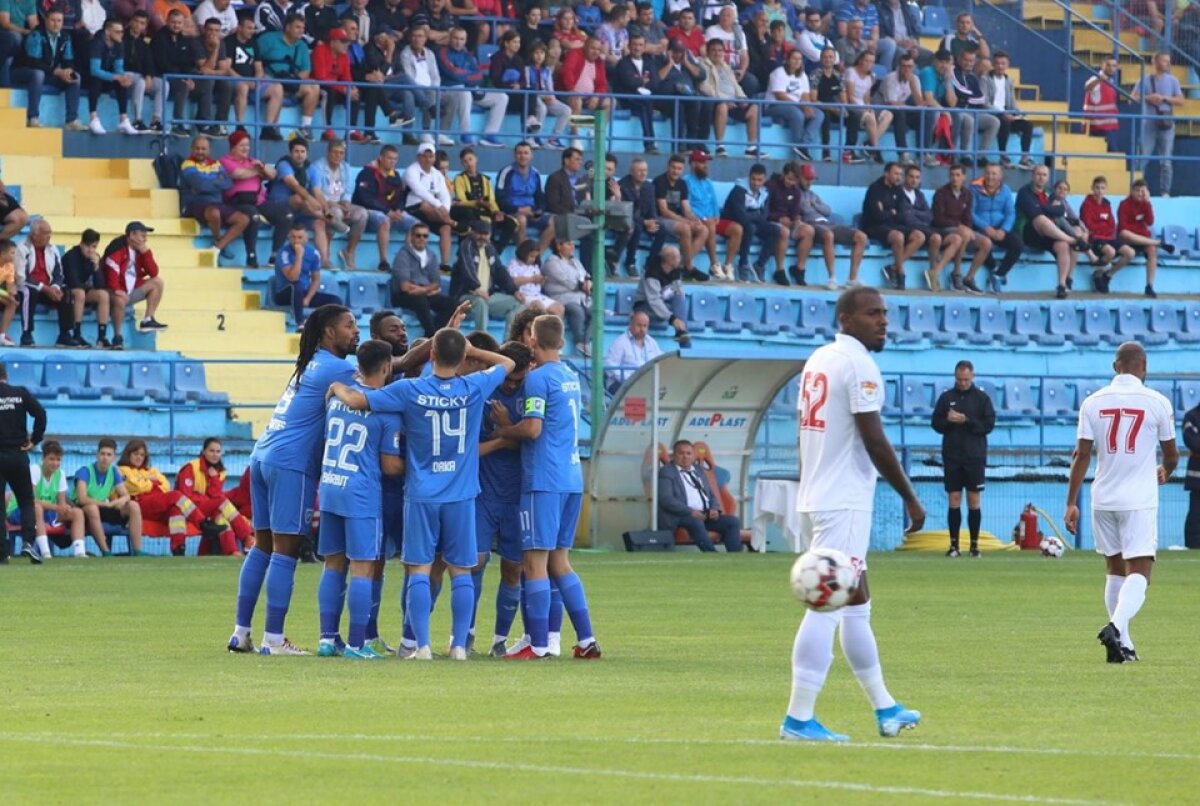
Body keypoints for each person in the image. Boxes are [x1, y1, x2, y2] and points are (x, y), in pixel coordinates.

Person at [783, 286, 924, 742]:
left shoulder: (819, 359)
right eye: (872, 313)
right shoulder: (858, 364)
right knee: (827, 604)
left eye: (884, 313)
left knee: (858, 603)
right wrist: (909, 495)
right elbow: (874, 439)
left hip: (821, 494)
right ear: (846, 319)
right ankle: (798, 717)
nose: (882, 320)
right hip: (842, 499)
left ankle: (886, 708)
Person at [330, 328, 515, 660]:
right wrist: (476, 351)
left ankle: (422, 646)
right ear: (462, 359)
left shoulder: (408, 389)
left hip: (421, 494)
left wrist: (336, 387)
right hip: (461, 495)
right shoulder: (474, 386)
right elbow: (508, 362)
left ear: (431, 356)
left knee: (418, 568)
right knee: (461, 570)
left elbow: (358, 400)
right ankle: (459, 645)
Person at [229, 304, 359, 655]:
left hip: (263, 456)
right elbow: (386, 372)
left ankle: (241, 633)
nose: (356, 331)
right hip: (292, 463)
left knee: (263, 547)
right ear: (329, 332)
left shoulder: (310, 362)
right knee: (285, 552)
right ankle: (274, 639)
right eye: (349, 326)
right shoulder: (339, 368)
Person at [491, 314, 599, 660]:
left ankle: (538, 645)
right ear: (562, 342)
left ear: (533, 343)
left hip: (545, 479)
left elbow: (533, 429)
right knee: (560, 562)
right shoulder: (570, 376)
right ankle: (586, 640)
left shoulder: (538, 379)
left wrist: (505, 427)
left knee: (534, 563)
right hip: (571, 477)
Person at [1065, 342, 1178, 664]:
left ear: (1116, 367)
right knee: (1140, 569)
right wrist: (1165, 471)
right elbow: (1171, 455)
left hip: (1102, 498)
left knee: (1114, 569)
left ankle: (1124, 646)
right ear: (1143, 366)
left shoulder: (1092, 402)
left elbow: (1081, 455)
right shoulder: (1157, 402)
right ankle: (1115, 626)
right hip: (1138, 500)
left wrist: (1071, 502)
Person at [313, 339, 404, 659]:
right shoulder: (384, 408)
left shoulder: (336, 399)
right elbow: (390, 465)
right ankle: (356, 644)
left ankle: (327, 639)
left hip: (331, 487)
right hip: (361, 494)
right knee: (363, 567)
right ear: (386, 367)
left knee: (334, 564)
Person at [476, 340, 534, 655]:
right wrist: (506, 437)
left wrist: (505, 428)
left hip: (518, 496)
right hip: (483, 492)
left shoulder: (533, 395)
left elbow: (531, 442)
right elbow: (474, 447)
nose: (511, 385)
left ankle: (500, 639)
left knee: (514, 568)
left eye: (518, 380)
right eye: (507, 379)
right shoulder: (484, 391)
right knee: (475, 562)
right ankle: (466, 634)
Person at [930, 361, 995, 558]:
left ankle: (974, 546)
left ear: (972, 376)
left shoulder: (982, 399)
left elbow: (988, 425)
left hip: (975, 456)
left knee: (974, 500)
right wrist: (948, 422)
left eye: (966, 379)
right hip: (952, 456)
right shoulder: (946, 398)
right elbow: (936, 423)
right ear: (955, 377)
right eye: (959, 379)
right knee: (954, 499)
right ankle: (954, 545)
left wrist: (966, 420)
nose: (963, 383)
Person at [117, 439, 209, 557]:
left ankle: (178, 548)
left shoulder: (151, 470)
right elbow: (134, 485)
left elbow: (165, 485)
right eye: (135, 454)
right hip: (139, 505)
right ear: (128, 454)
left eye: (142, 455)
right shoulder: (122, 470)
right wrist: (153, 483)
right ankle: (202, 522)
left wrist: (146, 483)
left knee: (176, 510)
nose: (139, 458)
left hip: (157, 504)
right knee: (175, 495)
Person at [5, 440, 86, 561]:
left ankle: (80, 552)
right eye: (52, 459)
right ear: (43, 458)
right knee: (36, 508)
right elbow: (30, 501)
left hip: (46, 512)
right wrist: (57, 508)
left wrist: (65, 509)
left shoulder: (61, 474)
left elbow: (61, 503)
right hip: (19, 512)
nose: (55, 463)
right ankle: (45, 553)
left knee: (77, 513)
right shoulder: (35, 470)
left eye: (58, 460)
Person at [657, 439, 742, 552]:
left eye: (688, 453)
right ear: (674, 455)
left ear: (693, 455)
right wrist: (690, 511)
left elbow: (710, 494)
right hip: (681, 516)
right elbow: (666, 499)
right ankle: (712, 555)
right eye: (681, 453)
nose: (685, 456)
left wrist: (714, 508)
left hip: (704, 515)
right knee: (695, 521)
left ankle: (735, 557)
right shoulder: (667, 472)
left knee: (732, 521)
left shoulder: (699, 470)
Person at [0, 362, 47, 565]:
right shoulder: (20, 393)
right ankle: (28, 542)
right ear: (6, 375)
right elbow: (41, 413)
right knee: (26, 501)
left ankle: (3, 552)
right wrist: (35, 440)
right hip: (18, 455)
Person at [175, 437, 254, 555]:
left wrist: (214, 478)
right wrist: (206, 499)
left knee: (222, 518)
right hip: (188, 509)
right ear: (204, 451)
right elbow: (185, 496)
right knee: (223, 503)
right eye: (211, 451)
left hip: (207, 508)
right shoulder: (191, 467)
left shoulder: (220, 472)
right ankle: (247, 537)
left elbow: (215, 495)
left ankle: (233, 551)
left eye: (218, 451)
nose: (215, 455)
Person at [179, 134, 250, 264]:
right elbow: (201, 185)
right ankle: (218, 237)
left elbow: (228, 183)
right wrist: (216, 181)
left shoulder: (216, 164)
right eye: (197, 148)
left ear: (209, 150)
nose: (200, 151)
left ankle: (217, 248)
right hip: (194, 204)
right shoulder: (187, 164)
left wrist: (208, 183)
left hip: (216, 203)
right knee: (214, 213)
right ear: (192, 149)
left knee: (243, 219)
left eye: (203, 149)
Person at [797, 163, 867, 290]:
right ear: (799, 177)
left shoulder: (813, 195)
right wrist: (810, 206)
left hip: (827, 223)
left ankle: (852, 279)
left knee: (861, 237)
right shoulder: (795, 193)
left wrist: (814, 205)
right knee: (828, 235)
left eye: (811, 179)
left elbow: (827, 210)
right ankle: (832, 277)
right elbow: (803, 211)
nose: (809, 182)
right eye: (806, 179)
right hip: (812, 225)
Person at [14, 7, 84, 131]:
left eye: (59, 21)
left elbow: (69, 60)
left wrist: (68, 71)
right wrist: (56, 71)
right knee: (38, 74)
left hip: (47, 73)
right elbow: (33, 62)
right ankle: (33, 118)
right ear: (46, 20)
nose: (56, 24)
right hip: (23, 72)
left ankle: (71, 120)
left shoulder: (65, 37)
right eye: (53, 20)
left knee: (75, 77)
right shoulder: (36, 34)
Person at [1016, 164, 1079, 300]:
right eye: (1038, 174)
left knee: (1062, 245)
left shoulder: (1050, 192)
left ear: (1048, 178)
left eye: (1044, 175)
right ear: (1033, 175)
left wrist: (1042, 207)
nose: (1041, 177)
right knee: (1040, 219)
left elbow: (1061, 210)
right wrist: (1048, 208)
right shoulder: (1024, 192)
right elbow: (1033, 212)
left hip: (1050, 234)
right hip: (1029, 232)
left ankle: (1062, 285)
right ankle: (1073, 240)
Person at [73, 437, 144, 557]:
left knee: (133, 506)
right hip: (82, 510)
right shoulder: (85, 471)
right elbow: (82, 499)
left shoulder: (114, 471)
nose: (105, 458)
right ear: (97, 455)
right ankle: (106, 552)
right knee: (92, 508)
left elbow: (126, 495)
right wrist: (107, 504)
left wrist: (121, 500)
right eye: (102, 454)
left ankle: (137, 551)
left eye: (109, 455)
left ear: (113, 457)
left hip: (103, 508)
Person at [100, 222, 167, 346]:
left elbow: (153, 272)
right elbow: (111, 269)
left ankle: (148, 320)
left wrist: (146, 252)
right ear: (132, 235)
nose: (145, 239)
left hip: (130, 289)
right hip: (111, 291)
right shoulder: (117, 247)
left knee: (157, 282)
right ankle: (117, 337)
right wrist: (116, 289)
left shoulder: (140, 250)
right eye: (142, 235)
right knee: (120, 300)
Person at [861, 162, 925, 290]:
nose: (899, 177)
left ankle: (893, 267)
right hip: (874, 226)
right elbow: (877, 216)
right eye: (896, 174)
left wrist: (888, 212)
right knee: (898, 237)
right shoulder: (875, 189)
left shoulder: (898, 190)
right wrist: (892, 212)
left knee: (919, 236)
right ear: (886, 174)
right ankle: (900, 273)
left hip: (893, 225)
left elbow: (903, 213)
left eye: (900, 174)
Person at [257, 13, 321, 140]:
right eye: (297, 27)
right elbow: (255, 58)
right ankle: (270, 129)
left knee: (314, 86)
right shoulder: (268, 39)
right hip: (269, 81)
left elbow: (306, 71)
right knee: (277, 87)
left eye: (303, 28)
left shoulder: (302, 45)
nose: (301, 31)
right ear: (287, 27)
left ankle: (305, 127)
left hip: (291, 82)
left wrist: (292, 81)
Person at [450, 219, 522, 331]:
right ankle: (482, 340)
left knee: (517, 303)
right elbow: (466, 268)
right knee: (480, 303)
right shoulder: (466, 246)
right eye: (479, 233)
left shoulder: (490, 248)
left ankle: (508, 341)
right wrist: (476, 288)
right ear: (472, 232)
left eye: (485, 234)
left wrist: (514, 290)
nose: (482, 237)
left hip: (487, 295)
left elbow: (499, 270)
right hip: (466, 295)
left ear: (490, 235)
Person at [900, 164, 962, 292]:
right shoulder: (899, 193)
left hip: (926, 228)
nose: (914, 180)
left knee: (956, 239)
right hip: (910, 230)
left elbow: (929, 216)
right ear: (905, 177)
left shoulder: (919, 195)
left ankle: (934, 272)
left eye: (917, 178)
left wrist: (913, 212)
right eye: (911, 177)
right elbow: (906, 218)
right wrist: (918, 215)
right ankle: (932, 271)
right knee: (936, 238)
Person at [932, 163, 992, 294]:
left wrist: (967, 228)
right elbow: (938, 219)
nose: (955, 178)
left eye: (958, 175)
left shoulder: (967, 194)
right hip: (944, 230)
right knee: (963, 233)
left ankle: (969, 278)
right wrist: (961, 227)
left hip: (962, 230)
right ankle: (956, 274)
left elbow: (968, 218)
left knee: (986, 243)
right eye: (952, 175)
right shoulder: (941, 193)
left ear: (964, 177)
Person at [14, 218, 75, 348]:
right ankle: (26, 334)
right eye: (46, 233)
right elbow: (21, 277)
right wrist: (44, 288)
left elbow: (59, 273)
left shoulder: (52, 249)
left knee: (67, 292)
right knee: (28, 292)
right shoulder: (22, 247)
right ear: (34, 235)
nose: (49, 236)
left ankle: (64, 335)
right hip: (27, 287)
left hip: (48, 288)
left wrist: (54, 287)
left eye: (50, 232)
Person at [308, 138, 367, 270]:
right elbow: (318, 194)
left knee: (362, 213)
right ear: (328, 152)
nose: (338, 156)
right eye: (335, 152)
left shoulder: (345, 167)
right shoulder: (317, 167)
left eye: (341, 153)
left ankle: (349, 252)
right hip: (323, 204)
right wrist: (337, 206)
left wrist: (346, 203)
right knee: (335, 213)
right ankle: (326, 256)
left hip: (341, 203)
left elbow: (347, 190)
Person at [150, 10, 211, 138]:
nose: (176, 25)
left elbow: (187, 63)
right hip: (163, 75)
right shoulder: (159, 38)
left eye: (179, 23)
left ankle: (203, 124)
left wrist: (189, 77)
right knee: (182, 86)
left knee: (206, 82)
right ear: (167, 22)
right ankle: (177, 123)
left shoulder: (184, 39)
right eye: (173, 22)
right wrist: (183, 78)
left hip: (180, 76)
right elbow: (162, 63)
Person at [1131, 51, 1183, 197]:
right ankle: (1136, 190)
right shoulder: (1144, 79)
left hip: (1166, 125)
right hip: (1148, 123)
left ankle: (1165, 191)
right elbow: (1133, 97)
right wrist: (1149, 98)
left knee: (1166, 160)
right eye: (1164, 60)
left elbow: (1180, 100)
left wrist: (1164, 98)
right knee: (1142, 158)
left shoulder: (1173, 80)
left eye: (1168, 61)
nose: (1167, 63)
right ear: (1155, 61)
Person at [390, 223, 456, 335]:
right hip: (402, 295)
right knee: (421, 301)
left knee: (451, 304)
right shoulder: (403, 255)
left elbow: (437, 282)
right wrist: (428, 290)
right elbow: (405, 287)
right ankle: (431, 335)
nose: (421, 238)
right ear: (411, 237)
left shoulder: (431, 255)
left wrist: (423, 290)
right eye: (418, 235)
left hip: (423, 293)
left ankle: (435, 335)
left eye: (425, 236)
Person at [718, 162, 779, 284]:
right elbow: (740, 216)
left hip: (753, 220)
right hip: (734, 221)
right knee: (749, 227)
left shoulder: (765, 192)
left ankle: (760, 265)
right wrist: (756, 216)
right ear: (749, 177)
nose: (756, 183)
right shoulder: (738, 190)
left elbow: (764, 216)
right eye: (753, 179)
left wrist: (755, 216)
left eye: (759, 180)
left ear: (764, 179)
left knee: (775, 230)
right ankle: (743, 263)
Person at [273, 223, 342, 330]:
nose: (296, 241)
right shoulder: (283, 253)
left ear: (306, 238)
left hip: (304, 294)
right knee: (297, 285)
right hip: (284, 294)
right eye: (293, 237)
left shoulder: (313, 253)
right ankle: (300, 323)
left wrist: (307, 299)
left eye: (300, 237)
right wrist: (299, 256)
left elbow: (316, 279)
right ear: (289, 238)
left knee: (335, 301)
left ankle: (327, 327)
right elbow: (293, 277)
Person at [685, 150, 740, 281]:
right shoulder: (686, 181)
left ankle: (728, 265)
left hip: (711, 218)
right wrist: (701, 217)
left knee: (737, 229)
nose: (706, 165)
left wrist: (716, 215)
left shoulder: (708, 182)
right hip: (697, 219)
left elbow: (714, 201)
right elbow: (687, 205)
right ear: (693, 164)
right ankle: (714, 264)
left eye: (706, 162)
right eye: (702, 162)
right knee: (709, 224)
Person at [350, 143, 405, 272]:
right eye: (389, 158)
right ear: (381, 157)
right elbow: (365, 199)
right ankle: (383, 261)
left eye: (395, 159)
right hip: (367, 212)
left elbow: (401, 197)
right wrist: (388, 212)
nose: (392, 162)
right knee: (383, 220)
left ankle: (406, 262)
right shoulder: (367, 173)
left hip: (390, 212)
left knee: (414, 224)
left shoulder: (395, 176)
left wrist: (398, 209)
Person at [1115, 179, 1173, 299]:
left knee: (1152, 250)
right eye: (1137, 191)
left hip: (1142, 238)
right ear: (1131, 191)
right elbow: (1123, 228)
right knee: (1125, 233)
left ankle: (1149, 286)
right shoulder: (1124, 204)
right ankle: (1159, 243)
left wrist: (1148, 203)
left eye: (1143, 191)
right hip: (1127, 239)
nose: (1140, 194)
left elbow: (1150, 221)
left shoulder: (1146, 204)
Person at [654, 154, 709, 278]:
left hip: (676, 218)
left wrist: (695, 220)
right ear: (668, 167)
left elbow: (687, 209)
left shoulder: (682, 184)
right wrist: (685, 221)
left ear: (683, 170)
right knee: (685, 228)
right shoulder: (660, 181)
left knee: (703, 230)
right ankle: (689, 267)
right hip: (659, 218)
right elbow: (664, 211)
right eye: (673, 167)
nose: (676, 171)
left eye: (679, 169)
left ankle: (682, 265)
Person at [970, 162, 1022, 294]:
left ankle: (998, 274)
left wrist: (1004, 229)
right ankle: (993, 267)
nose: (990, 177)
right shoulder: (974, 188)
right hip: (981, 227)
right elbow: (970, 213)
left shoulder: (1006, 190)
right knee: (983, 243)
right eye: (988, 173)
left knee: (1017, 244)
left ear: (1000, 176)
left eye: (994, 174)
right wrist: (985, 227)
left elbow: (1010, 213)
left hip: (1000, 228)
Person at [451, 148, 516, 251]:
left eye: (470, 159)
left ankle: (497, 250)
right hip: (472, 213)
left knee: (512, 223)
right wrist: (477, 203)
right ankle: (485, 250)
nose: (469, 163)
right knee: (485, 221)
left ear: (476, 159)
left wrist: (497, 211)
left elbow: (492, 200)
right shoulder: (459, 179)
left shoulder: (485, 179)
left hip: (487, 211)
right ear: (462, 164)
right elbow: (461, 201)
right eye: (465, 161)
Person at [1079, 175, 1135, 294]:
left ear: (1106, 190)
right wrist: (1102, 227)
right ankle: (1098, 274)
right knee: (1110, 251)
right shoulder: (1086, 205)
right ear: (1092, 188)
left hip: (1109, 237)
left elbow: (1112, 224)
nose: (1100, 191)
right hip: (1095, 239)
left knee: (1130, 253)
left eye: (1102, 188)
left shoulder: (1107, 204)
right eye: (1097, 188)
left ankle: (1108, 275)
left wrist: (1103, 227)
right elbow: (1089, 226)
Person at [403, 142, 455, 269]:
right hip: (412, 207)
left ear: (434, 158)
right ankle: (450, 222)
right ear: (418, 157)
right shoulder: (411, 170)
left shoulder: (437, 174)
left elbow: (445, 195)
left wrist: (445, 210)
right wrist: (440, 207)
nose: (427, 159)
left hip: (432, 211)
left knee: (445, 229)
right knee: (426, 205)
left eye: (430, 156)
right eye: (424, 156)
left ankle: (445, 264)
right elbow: (419, 191)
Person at [981, 51, 1035, 171]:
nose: (1000, 66)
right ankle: (1003, 156)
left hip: (1007, 114)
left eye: (1003, 63)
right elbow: (984, 103)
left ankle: (1025, 158)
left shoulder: (1008, 80)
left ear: (1007, 65)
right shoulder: (985, 79)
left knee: (1028, 125)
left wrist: (1018, 113)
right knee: (1003, 121)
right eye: (997, 63)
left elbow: (1012, 103)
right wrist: (1002, 113)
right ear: (993, 65)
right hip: (992, 114)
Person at [87, 18, 140, 136]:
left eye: (122, 32)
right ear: (107, 32)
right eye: (117, 32)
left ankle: (123, 120)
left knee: (121, 81)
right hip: (88, 77)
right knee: (96, 80)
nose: (121, 34)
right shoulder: (97, 43)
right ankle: (93, 118)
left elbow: (118, 68)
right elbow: (94, 70)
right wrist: (115, 77)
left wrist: (123, 77)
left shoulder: (119, 44)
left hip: (105, 76)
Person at [766, 161, 815, 287]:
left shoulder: (795, 191)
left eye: (794, 180)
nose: (790, 182)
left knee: (809, 230)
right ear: (783, 174)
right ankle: (779, 270)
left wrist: (796, 219)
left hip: (790, 222)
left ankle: (799, 269)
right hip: (773, 222)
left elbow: (795, 210)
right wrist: (779, 218)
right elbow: (765, 210)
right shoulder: (771, 186)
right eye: (789, 179)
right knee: (784, 232)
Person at [767, 49, 821, 161]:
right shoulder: (779, 72)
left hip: (796, 106)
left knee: (819, 114)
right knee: (797, 114)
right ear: (787, 60)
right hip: (774, 105)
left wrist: (807, 106)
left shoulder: (802, 75)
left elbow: (805, 95)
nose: (797, 62)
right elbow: (779, 95)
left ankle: (804, 145)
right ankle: (798, 145)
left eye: (800, 59)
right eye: (794, 58)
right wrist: (801, 106)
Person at [948, 48, 998, 167]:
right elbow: (960, 90)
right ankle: (966, 156)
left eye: (971, 61)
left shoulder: (972, 77)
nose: (969, 63)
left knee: (994, 121)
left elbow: (981, 98)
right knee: (969, 120)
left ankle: (981, 157)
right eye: (966, 60)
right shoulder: (954, 71)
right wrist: (968, 96)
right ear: (959, 60)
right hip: (956, 111)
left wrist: (966, 97)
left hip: (971, 111)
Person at [542, 238, 592, 356]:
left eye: (573, 244)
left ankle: (586, 341)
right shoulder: (551, 263)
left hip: (580, 296)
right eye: (569, 244)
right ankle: (579, 340)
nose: (573, 247)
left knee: (598, 313)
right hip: (561, 297)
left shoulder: (576, 262)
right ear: (559, 246)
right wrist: (582, 285)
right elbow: (567, 281)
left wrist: (589, 282)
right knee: (577, 311)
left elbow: (586, 276)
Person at [634, 245, 691, 347]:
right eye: (678, 257)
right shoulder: (652, 273)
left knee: (679, 298)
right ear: (670, 260)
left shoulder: (675, 270)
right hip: (645, 307)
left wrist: (675, 315)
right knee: (672, 306)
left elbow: (678, 291)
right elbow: (653, 300)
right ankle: (684, 339)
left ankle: (682, 333)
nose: (680, 259)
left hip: (664, 307)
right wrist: (672, 319)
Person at [496, 142, 549, 248]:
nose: (523, 156)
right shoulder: (507, 172)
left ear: (531, 155)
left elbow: (540, 197)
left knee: (554, 222)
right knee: (521, 220)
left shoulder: (536, 173)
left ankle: (536, 257)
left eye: (526, 153)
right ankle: (523, 257)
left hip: (531, 212)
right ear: (515, 155)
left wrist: (539, 211)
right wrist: (519, 210)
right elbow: (499, 197)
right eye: (519, 153)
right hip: (512, 212)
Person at [879, 53, 924, 166]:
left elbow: (920, 104)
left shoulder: (915, 79)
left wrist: (912, 83)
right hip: (884, 109)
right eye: (904, 66)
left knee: (923, 115)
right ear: (899, 66)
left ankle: (923, 153)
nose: (907, 69)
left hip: (901, 109)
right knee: (899, 113)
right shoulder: (891, 78)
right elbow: (891, 103)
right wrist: (906, 105)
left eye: (910, 67)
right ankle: (903, 154)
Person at [605, 309, 661, 388]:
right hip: (622, 384)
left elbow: (660, 360)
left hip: (645, 384)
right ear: (631, 325)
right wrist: (630, 379)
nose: (642, 329)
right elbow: (610, 366)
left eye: (645, 326)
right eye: (639, 325)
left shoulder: (651, 342)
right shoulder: (620, 342)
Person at [506, 239, 563, 316]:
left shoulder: (535, 265)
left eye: (535, 257)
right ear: (524, 253)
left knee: (559, 308)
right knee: (539, 307)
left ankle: (555, 327)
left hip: (537, 295)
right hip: (523, 296)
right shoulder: (514, 264)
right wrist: (531, 279)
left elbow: (539, 285)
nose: (533, 259)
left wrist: (542, 281)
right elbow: (513, 282)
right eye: (531, 256)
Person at [1083, 56, 1120, 153]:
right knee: (1113, 154)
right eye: (1108, 65)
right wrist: (1099, 79)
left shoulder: (1111, 82)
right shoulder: (1095, 79)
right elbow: (1087, 87)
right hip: (1097, 127)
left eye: (1114, 66)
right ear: (1101, 65)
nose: (1111, 68)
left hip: (1108, 126)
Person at [1184, 398, 1200, 550]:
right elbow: (1192, 441)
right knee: (1196, 514)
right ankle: (1193, 547)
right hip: (1197, 477)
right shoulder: (1192, 416)